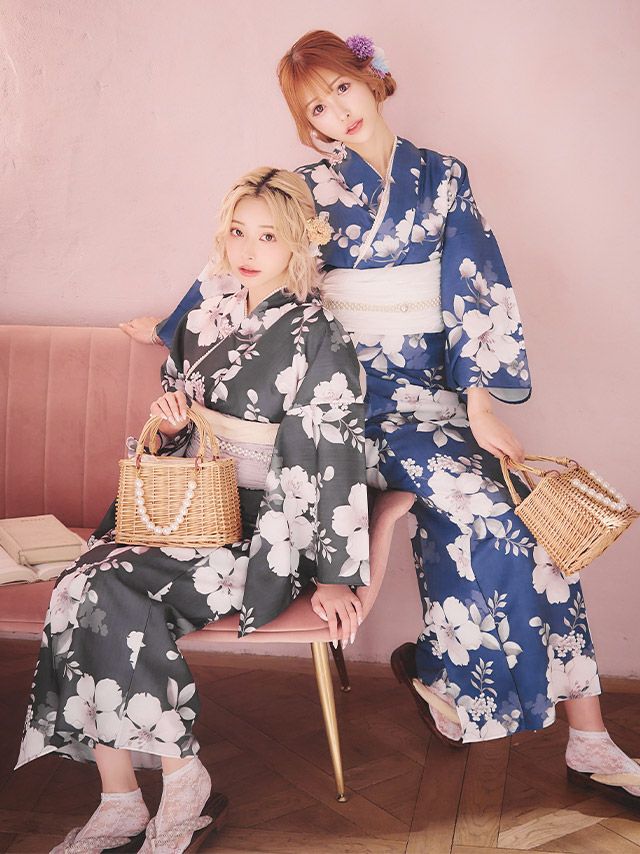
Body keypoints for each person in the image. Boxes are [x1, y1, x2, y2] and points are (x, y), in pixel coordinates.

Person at [121, 32, 640, 808]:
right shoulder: (304, 189)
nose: (336, 114)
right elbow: (242, 262)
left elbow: (473, 285)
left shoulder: (444, 177)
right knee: (488, 510)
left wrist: (480, 405)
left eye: (341, 90)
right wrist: (173, 325)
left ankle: (570, 730)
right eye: (315, 109)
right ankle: (493, 698)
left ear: (372, 79)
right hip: (339, 409)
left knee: (525, 522)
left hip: (431, 400)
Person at [17, 167, 370, 853]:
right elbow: (180, 423)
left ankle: (180, 786)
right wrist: (174, 421)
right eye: (238, 231)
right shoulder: (204, 318)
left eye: (268, 236)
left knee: (113, 588)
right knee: (78, 586)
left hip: (263, 530)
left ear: (297, 242)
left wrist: (336, 575)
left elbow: (332, 456)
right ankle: (121, 800)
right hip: (186, 506)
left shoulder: (319, 334)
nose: (248, 249)